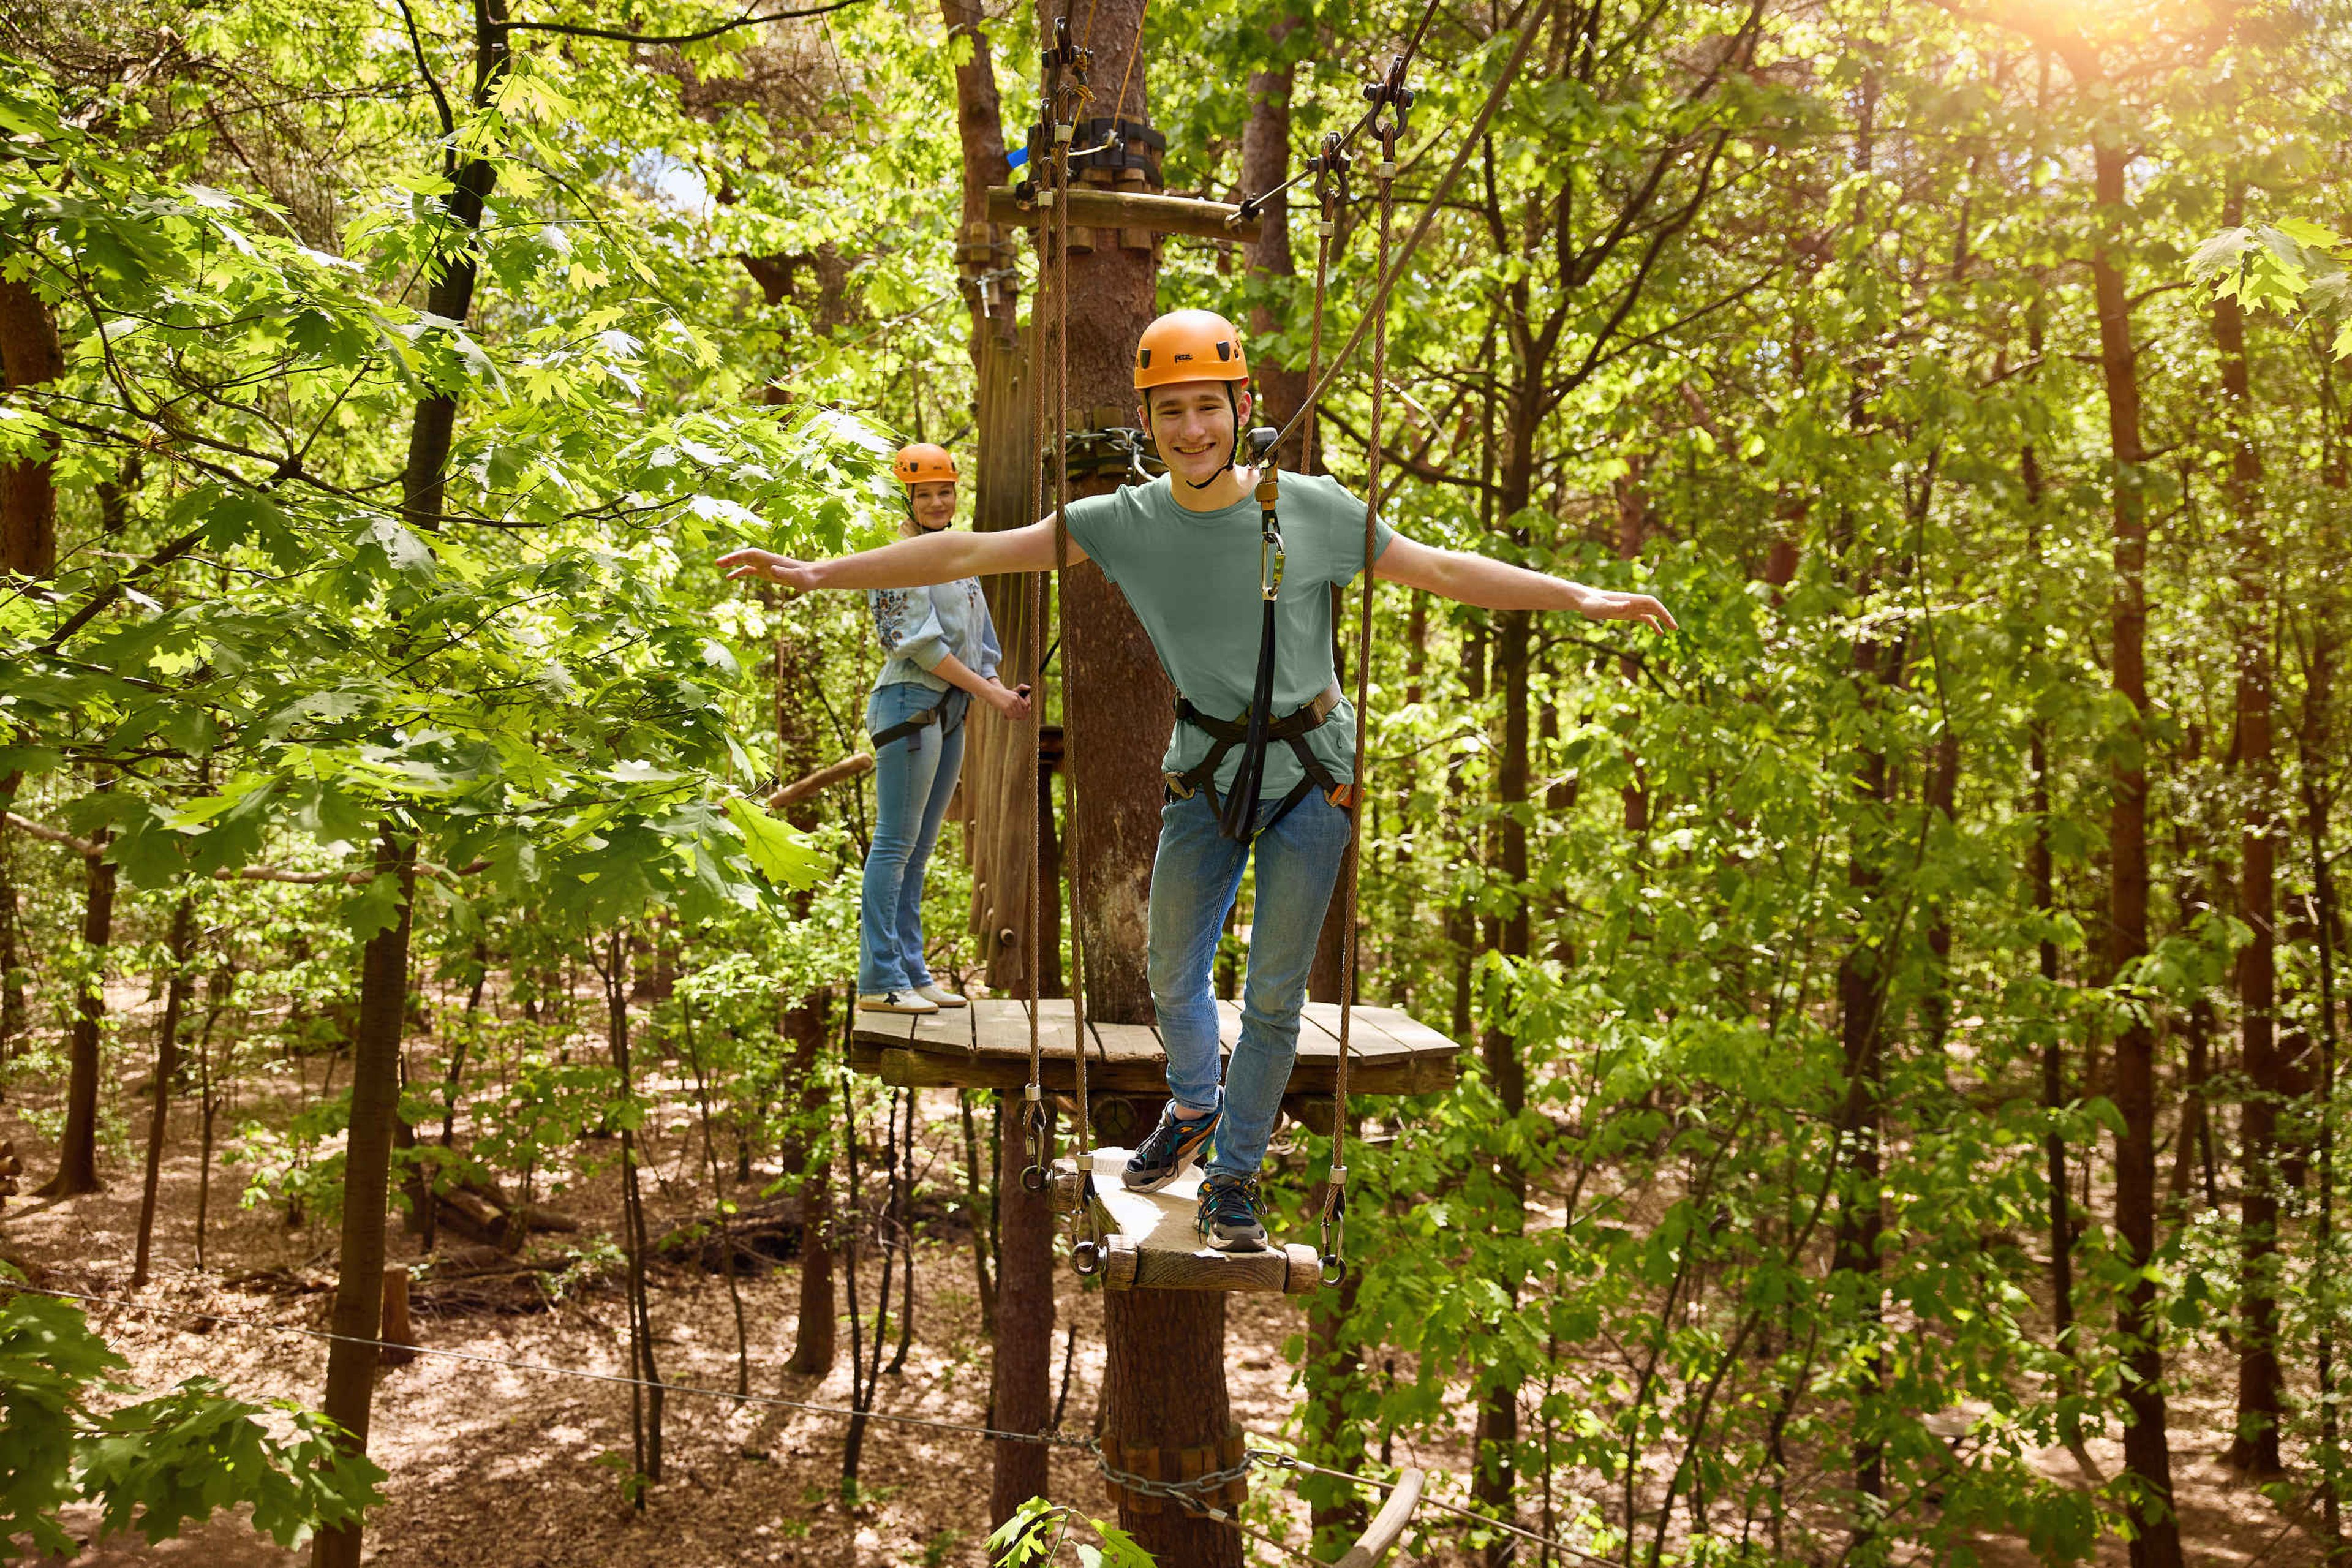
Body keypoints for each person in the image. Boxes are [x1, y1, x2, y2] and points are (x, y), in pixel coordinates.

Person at [723, 312, 1673, 1250]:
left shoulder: (1312, 509)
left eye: (1208, 407)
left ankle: (1233, 1181)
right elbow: (967, 549)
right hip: (1207, 768)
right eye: (1170, 411)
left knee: (1273, 998)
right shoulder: (1124, 523)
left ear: (1241, 408)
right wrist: (819, 573)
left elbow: (1443, 571)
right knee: (1171, 969)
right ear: (1147, 424)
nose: (1191, 429)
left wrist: (1583, 597)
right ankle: (1192, 1105)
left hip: (1313, 773)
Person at [850, 443, 1030, 1015]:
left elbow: (982, 645)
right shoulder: (897, 556)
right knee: (895, 844)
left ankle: (911, 971)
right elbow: (922, 647)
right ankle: (880, 980)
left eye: (944, 491)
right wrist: (991, 694)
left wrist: (999, 686)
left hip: (951, 709)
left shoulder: (957, 556)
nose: (936, 502)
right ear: (906, 498)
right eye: (924, 494)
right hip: (909, 703)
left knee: (919, 849)